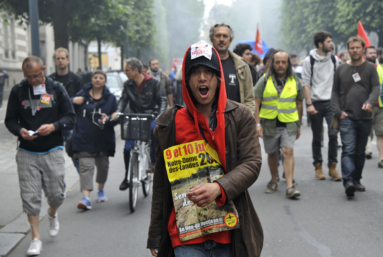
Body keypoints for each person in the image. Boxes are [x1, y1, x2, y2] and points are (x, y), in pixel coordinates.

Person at [147, 40, 263, 257]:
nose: (202, 77)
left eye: (208, 71)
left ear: (218, 78)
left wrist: (219, 187)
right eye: (195, 72)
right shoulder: (168, 123)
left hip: (230, 232)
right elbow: (161, 184)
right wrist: (155, 233)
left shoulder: (240, 116)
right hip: (185, 237)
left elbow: (252, 163)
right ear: (187, 80)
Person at [5, 56, 75, 256]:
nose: (34, 80)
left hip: (52, 149)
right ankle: (35, 238)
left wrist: (54, 126)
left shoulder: (57, 89)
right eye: (29, 77)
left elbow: (70, 116)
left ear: (43, 69)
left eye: (37, 76)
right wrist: (20, 131)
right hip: (27, 151)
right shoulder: (18, 91)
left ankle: (52, 213)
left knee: (57, 194)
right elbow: (10, 120)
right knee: (30, 196)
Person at [331, 36, 380, 197]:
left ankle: (357, 179)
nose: (355, 50)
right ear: (348, 49)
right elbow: (334, 92)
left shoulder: (371, 68)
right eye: (352, 48)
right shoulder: (341, 69)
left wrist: (370, 102)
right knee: (348, 150)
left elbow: (375, 88)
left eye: (358, 47)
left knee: (360, 152)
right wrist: (338, 112)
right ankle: (348, 182)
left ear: (363, 49)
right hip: (347, 117)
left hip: (365, 117)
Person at [254, 49, 303, 198]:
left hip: (289, 123)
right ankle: (274, 180)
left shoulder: (295, 80)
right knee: (272, 153)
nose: (281, 65)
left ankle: (290, 187)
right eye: (277, 62)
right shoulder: (264, 79)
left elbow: (299, 103)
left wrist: (299, 124)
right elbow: (256, 103)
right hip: (269, 123)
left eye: (283, 62)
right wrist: (257, 124)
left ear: (288, 64)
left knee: (288, 152)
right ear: (272, 63)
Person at [114, 58, 167, 191]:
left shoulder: (153, 82)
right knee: (127, 149)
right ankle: (128, 177)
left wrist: (160, 114)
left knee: (155, 130)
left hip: (150, 117)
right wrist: (118, 112)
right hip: (134, 118)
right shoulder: (127, 85)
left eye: (127, 70)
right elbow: (123, 100)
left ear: (135, 70)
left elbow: (162, 99)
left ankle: (153, 161)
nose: (125, 73)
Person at [71, 70, 118, 209]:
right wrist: (72, 100)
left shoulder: (110, 98)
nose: (98, 80)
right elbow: (67, 107)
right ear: (91, 80)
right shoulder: (82, 95)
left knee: (103, 167)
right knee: (86, 168)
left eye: (101, 78)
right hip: (84, 137)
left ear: (104, 81)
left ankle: (101, 189)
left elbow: (116, 116)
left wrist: (110, 118)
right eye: (95, 77)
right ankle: (86, 198)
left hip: (103, 139)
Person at [302, 31, 341, 181]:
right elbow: (306, 83)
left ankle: (333, 168)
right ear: (320, 44)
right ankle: (318, 167)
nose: (332, 44)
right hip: (316, 103)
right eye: (329, 41)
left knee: (333, 135)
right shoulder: (309, 60)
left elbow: (337, 81)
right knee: (317, 137)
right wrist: (309, 103)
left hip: (331, 103)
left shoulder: (333, 59)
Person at [49, 47, 83, 172]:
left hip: (72, 124)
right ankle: (60, 189)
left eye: (63, 58)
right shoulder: (50, 80)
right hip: (55, 123)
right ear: (54, 61)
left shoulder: (76, 79)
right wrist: (72, 99)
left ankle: (85, 183)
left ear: (68, 60)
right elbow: (46, 101)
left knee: (76, 155)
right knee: (55, 158)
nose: (60, 61)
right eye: (58, 59)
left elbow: (82, 100)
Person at [209, 23, 255, 113]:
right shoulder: (203, 63)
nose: (221, 39)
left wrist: (245, 120)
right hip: (210, 122)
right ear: (211, 39)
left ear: (230, 40)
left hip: (236, 123)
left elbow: (249, 98)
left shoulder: (242, 65)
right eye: (218, 36)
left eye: (225, 36)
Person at [364, 46, 383, 160]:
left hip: (380, 106)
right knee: (367, 131)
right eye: (370, 53)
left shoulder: (381, 68)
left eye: (374, 53)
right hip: (367, 105)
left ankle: (381, 158)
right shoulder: (361, 69)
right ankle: (368, 150)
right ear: (364, 54)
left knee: (380, 133)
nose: (373, 55)